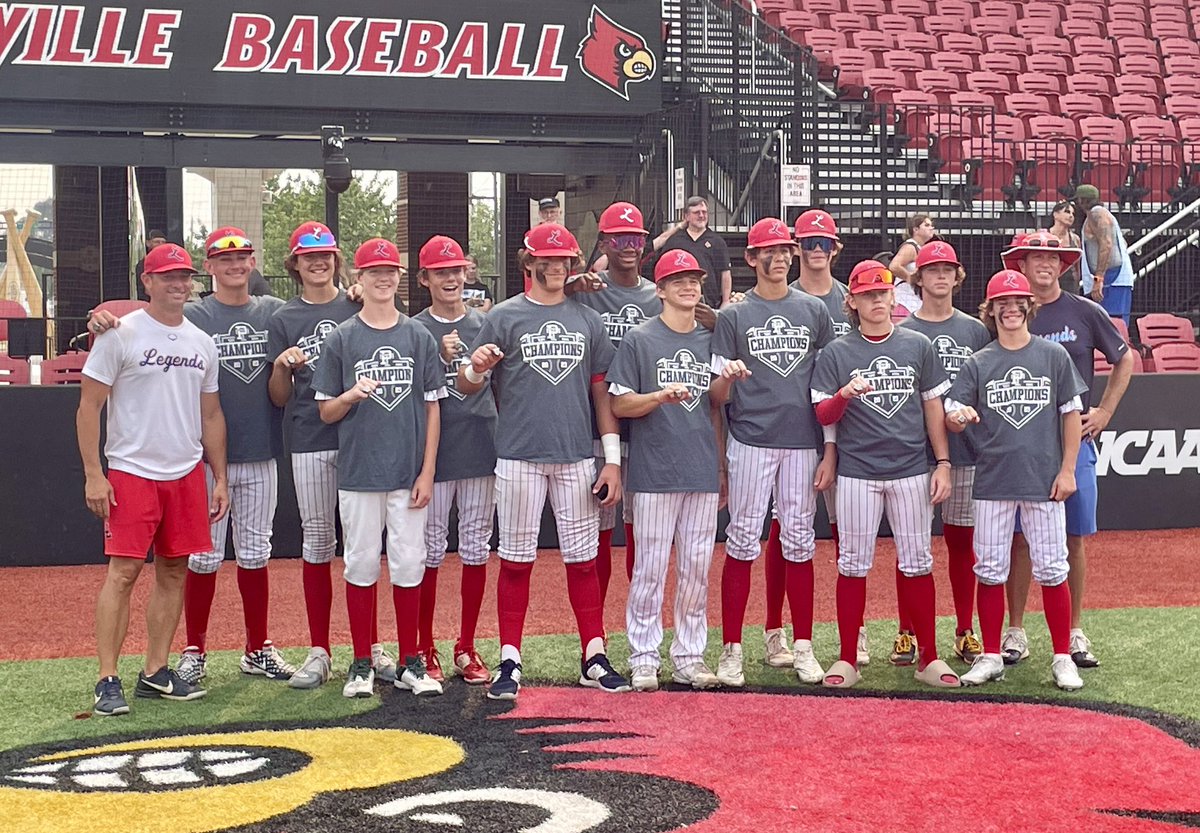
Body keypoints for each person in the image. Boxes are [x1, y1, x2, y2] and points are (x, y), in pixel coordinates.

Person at [457, 223, 629, 700]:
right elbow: (467, 385)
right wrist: (475, 367)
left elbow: (602, 393)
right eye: (547, 260)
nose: (556, 267)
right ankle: (510, 658)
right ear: (528, 263)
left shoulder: (587, 319)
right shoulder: (504, 317)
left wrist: (610, 460)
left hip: (575, 455)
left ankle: (593, 655)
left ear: (573, 265)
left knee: (583, 561)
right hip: (517, 455)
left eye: (564, 261)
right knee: (515, 561)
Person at [78, 242, 228, 715]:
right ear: (147, 281)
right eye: (168, 277)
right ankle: (107, 677)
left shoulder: (202, 342)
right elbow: (89, 407)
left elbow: (211, 415)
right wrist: (93, 474)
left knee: (174, 570)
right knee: (122, 573)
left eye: (184, 277)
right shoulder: (119, 334)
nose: (178, 285)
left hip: (185, 472)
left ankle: (156, 671)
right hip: (131, 471)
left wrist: (218, 476)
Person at [811, 259, 959, 690]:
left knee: (917, 563)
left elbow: (934, 408)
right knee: (853, 564)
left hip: (911, 468)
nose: (877, 300)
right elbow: (822, 412)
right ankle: (846, 659)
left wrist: (943, 462)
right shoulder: (837, 352)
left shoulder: (917, 345)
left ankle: (928, 657)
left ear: (894, 297)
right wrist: (843, 394)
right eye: (868, 294)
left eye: (883, 293)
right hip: (858, 471)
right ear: (852, 301)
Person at [267, 221, 400, 689]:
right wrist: (283, 365)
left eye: (325, 254)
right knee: (319, 542)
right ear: (295, 264)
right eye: (309, 256)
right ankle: (320, 648)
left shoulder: (359, 302)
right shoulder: (283, 318)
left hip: (363, 437)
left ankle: (372, 645)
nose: (318, 262)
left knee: (368, 546)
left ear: (338, 261)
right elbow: (279, 397)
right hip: (310, 438)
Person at [313, 238, 445, 699]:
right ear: (360, 279)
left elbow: (433, 408)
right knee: (361, 564)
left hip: (407, 473)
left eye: (390, 271)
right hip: (359, 471)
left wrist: (427, 470)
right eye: (374, 272)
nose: (384, 278)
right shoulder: (343, 337)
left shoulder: (417, 336)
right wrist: (349, 395)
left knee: (409, 564)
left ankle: (411, 661)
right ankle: (362, 661)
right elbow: (326, 411)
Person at [161, 227, 294, 685]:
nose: (236, 265)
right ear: (210, 266)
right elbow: (148, 320)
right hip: (204, 458)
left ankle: (257, 647)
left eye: (243, 258)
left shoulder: (274, 312)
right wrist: (105, 317)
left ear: (253, 263)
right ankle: (195, 648)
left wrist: (355, 292)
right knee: (203, 558)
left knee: (256, 554)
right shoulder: (194, 314)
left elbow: (321, 315)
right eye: (225, 259)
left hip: (261, 451)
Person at [945, 269, 1087, 691]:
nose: (1010, 310)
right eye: (1002, 305)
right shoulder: (979, 361)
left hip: (1043, 479)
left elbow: (1071, 415)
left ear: (1029, 307)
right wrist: (958, 417)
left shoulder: (1052, 356)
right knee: (989, 569)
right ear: (990, 311)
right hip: (992, 479)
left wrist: (1067, 470)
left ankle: (1062, 656)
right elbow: (953, 412)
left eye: (1017, 303)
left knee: (1052, 567)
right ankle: (991, 654)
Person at [709, 217, 836, 687]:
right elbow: (715, 398)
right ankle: (732, 649)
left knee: (800, 542)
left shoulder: (815, 311)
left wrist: (830, 449)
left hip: (802, 441)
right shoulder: (733, 316)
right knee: (742, 541)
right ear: (751, 258)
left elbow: (828, 386)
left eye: (785, 250)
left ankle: (802, 645)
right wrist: (729, 378)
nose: (779, 257)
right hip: (750, 438)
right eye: (769, 250)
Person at [999, 231, 1134, 669]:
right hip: (1020, 444)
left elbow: (1124, 358)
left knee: (1073, 539)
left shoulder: (1084, 311)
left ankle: (1075, 629)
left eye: (1052, 257)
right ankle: (1015, 630)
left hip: (1074, 444)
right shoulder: (1011, 311)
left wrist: (1106, 411)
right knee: (1018, 539)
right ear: (1020, 264)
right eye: (1036, 257)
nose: (1045, 264)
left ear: (1064, 264)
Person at [607, 250, 725, 691]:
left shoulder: (710, 338)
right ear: (659, 290)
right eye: (678, 281)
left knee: (696, 569)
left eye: (693, 279)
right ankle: (643, 656)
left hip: (699, 467)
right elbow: (619, 402)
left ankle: (689, 657)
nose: (689, 286)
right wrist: (657, 396)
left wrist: (722, 464)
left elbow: (716, 406)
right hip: (655, 471)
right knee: (651, 569)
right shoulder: (640, 339)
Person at [756, 209, 854, 671]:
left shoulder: (850, 299)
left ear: (836, 248)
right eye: (809, 243)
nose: (817, 250)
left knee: (846, 531)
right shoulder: (781, 296)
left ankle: (852, 630)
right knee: (785, 529)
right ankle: (775, 628)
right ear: (797, 249)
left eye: (824, 243)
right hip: (793, 428)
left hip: (847, 428)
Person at [568, 202, 662, 614]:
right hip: (596, 424)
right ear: (604, 242)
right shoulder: (587, 290)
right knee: (600, 534)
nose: (629, 246)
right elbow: (546, 294)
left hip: (647, 425)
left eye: (636, 238)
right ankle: (598, 631)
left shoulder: (657, 294)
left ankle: (640, 625)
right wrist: (572, 284)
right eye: (620, 238)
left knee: (641, 532)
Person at [899, 241, 991, 664]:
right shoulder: (903, 330)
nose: (939, 276)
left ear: (957, 276)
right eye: (931, 269)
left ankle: (964, 628)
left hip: (967, 451)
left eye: (947, 269)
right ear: (918, 277)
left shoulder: (974, 330)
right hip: (916, 454)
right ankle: (907, 631)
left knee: (961, 543)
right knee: (912, 546)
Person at [412, 235, 497, 685]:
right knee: (428, 552)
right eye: (440, 271)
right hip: (434, 453)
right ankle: (425, 646)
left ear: (467, 274)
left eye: (456, 270)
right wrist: (433, 358)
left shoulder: (487, 322)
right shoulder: (413, 328)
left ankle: (466, 644)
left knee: (475, 549)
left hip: (480, 445)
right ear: (424, 277)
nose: (450, 277)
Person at [651, 196, 732, 308]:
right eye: (696, 212)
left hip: (710, 304)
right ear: (686, 216)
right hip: (678, 301)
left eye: (704, 212)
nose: (701, 215)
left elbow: (725, 273)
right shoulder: (675, 240)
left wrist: (726, 301)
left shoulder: (717, 241)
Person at [1074, 185, 1136, 325]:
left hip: (1111, 278)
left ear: (1081, 201)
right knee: (1108, 324)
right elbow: (1122, 244)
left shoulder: (1097, 215)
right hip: (1111, 277)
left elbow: (1107, 244)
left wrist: (1099, 278)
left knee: (1111, 325)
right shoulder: (1101, 214)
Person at [888, 213, 936, 318]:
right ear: (915, 229)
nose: (931, 228)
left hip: (913, 299)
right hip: (904, 301)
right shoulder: (910, 247)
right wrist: (911, 278)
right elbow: (894, 266)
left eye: (931, 225)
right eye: (926, 225)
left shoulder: (919, 248)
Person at [1047, 199, 1083, 295]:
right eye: (1067, 212)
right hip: (1049, 282)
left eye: (1073, 213)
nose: (1071, 216)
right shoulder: (1044, 235)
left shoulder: (1075, 239)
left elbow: (1077, 265)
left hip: (1071, 285)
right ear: (1055, 214)